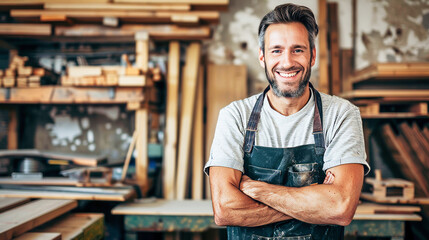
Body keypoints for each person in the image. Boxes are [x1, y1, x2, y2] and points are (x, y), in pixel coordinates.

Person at [204, 3, 370, 240]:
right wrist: (313, 204)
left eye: (298, 50)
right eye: (276, 50)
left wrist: (257, 190)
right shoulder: (235, 116)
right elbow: (225, 210)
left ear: (312, 55)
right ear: (262, 57)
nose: (287, 62)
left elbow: (340, 208)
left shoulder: (341, 115)